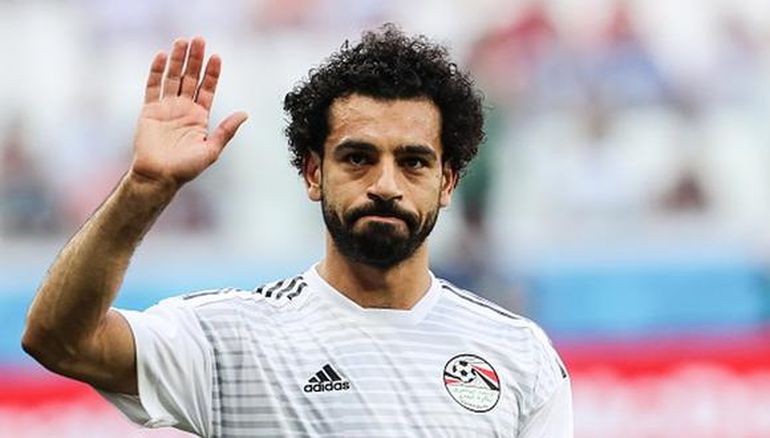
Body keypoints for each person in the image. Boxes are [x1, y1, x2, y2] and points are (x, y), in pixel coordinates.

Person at [22, 25, 572, 437]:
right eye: (358, 158)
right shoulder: (231, 338)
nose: (385, 185)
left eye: (413, 162)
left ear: (447, 181)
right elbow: (57, 340)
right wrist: (144, 189)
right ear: (313, 173)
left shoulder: (517, 355)